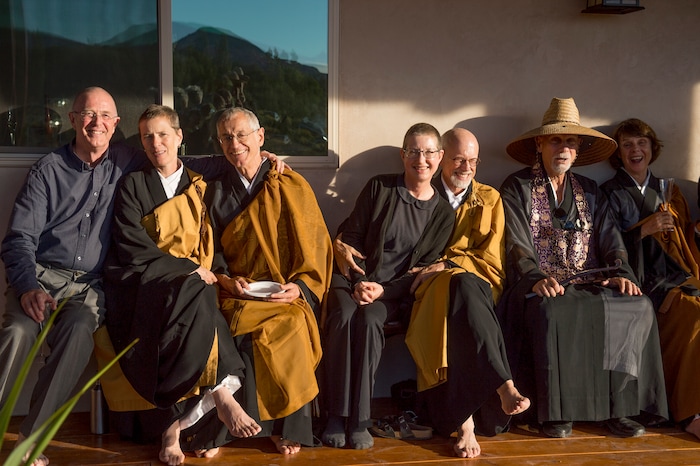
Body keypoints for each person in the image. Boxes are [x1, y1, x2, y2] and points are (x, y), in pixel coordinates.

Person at [0, 86, 270, 465]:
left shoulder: (123, 159)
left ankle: (30, 441)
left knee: (79, 333)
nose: (96, 123)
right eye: (88, 115)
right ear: (73, 120)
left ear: (115, 124)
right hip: (43, 276)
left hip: (87, 288)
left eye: (104, 116)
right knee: (17, 333)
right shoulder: (49, 170)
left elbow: (185, 160)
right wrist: (28, 286)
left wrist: (258, 156)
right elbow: (19, 238)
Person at [497, 97, 668, 439]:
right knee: (551, 311)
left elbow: (611, 239)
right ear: (540, 143)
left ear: (577, 151)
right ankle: (556, 412)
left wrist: (620, 273)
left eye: (570, 142)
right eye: (556, 140)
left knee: (637, 306)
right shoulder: (517, 187)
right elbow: (516, 243)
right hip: (539, 284)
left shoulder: (590, 191)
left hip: (589, 280)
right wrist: (534, 277)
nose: (563, 148)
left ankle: (620, 409)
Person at [103, 105, 262, 465]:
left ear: (179, 137)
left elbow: (212, 241)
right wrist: (187, 269)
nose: (155, 143)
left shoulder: (198, 184)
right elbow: (131, 245)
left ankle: (174, 429)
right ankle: (220, 394)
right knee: (197, 290)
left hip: (194, 282)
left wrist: (218, 273)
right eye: (147, 136)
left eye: (162, 134)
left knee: (199, 294)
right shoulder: (132, 185)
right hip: (143, 283)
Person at [205, 107, 332, 455]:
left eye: (242, 135)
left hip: (283, 290)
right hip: (236, 291)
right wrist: (226, 279)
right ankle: (227, 430)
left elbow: (314, 244)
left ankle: (286, 428)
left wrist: (300, 287)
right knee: (236, 328)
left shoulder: (288, 182)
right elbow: (210, 247)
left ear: (260, 137)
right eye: (226, 138)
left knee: (290, 325)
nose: (235, 144)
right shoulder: (214, 190)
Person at [322, 123, 456, 450]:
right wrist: (359, 281)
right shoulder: (380, 187)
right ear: (403, 155)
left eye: (428, 152)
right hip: (350, 279)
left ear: (439, 157)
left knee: (369, 321)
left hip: (394, 294)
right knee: (343, 317)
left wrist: (382, 291)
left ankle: (359, 419)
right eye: (413, 151)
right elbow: (351, 237)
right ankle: (335, 416)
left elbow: (422, 272)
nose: (421, 160)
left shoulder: (443, 214)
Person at [405, 128, 530, 457]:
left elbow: (491, 260)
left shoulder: (490, 198)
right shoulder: (424, 194)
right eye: (459, 160)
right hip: (430, 287)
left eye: (473, 161)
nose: (467, 168)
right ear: (442, 158)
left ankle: (466, 424)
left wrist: (449, 264)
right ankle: (503, 385)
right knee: (457, 291)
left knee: (464, 287)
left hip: (478, 283)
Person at [601, 118, 700, 440]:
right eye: (627, 145)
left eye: (641, 143)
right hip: (644, 281)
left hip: (677, 276)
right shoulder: (610, 193)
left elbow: (685, 244)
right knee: (693, 314)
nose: (636, 150)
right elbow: (605, 246)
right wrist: (643, 230)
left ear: (651, 148)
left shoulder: (668, 190)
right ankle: (689, 412)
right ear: (619, 153)